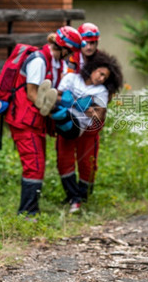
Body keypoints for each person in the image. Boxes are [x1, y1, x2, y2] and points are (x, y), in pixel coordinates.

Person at [5, 26, 84, 218]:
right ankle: (27, 214)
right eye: (70, 52)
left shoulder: (55, 63)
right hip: (24, 121)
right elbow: (33, 94)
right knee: (34, 164)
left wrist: (65, 100)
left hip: (36, 121)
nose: (70, 56)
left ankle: (30, 211)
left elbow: (50, 92)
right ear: (64, 48)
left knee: (37, 163)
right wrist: (55, 105)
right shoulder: (39, 61)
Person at [41, 50, 123, 213]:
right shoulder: (72, 78)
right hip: (66, 123)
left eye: (105, 78)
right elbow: (56, 95)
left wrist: (76, 103)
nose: (101, 79)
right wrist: (78, 104)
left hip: (81, 127)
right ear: (92, 68)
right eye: (100, 74)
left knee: (86, 162)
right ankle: (72, 197)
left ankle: (82, 197)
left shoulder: (102, 91)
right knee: (63, 160)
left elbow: (98, 115)